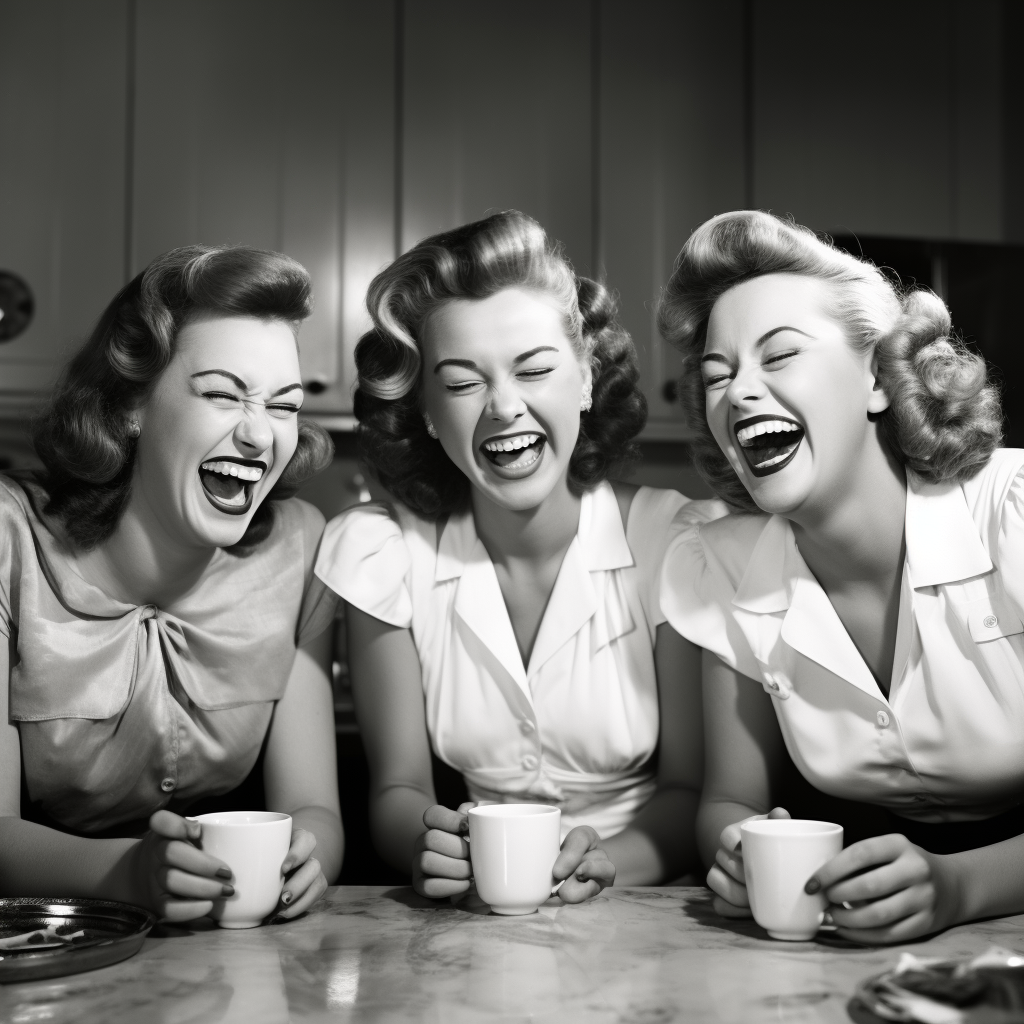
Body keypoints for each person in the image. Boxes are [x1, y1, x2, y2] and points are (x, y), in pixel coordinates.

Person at [314, 211, 717, 902]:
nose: (504, 407)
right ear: (428, 414)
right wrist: (430, 844)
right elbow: (397, 789)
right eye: (463, 382)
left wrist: (607, 863)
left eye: (534, 369)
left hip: (642, 914)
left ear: (586, 381)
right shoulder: (382, 554)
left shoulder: (672, 543)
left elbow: (688, 793)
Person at [658, 209, 1024, 944]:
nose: (737, 393)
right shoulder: (717, 565)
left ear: (880, 378)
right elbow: (729, 798)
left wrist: (959, 886)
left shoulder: (1012, 516)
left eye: (780, 354)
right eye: (717, 375)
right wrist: (735, 853)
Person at [0, 245, 343, 923]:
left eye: (283, 405)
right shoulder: (9, 542)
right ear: (132, 404)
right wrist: (129, 873)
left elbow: (315, 808)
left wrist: (314, 855)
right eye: (221, 393)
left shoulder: (301, 546)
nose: (257, 434)